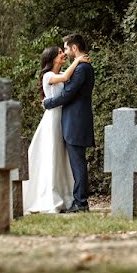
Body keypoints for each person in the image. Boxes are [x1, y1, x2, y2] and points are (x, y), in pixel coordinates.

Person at [23, 45, 90, 214]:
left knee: (62, 158)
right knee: (52, 155)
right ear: (52, 58)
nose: (63, 54)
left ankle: (66, 194)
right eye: (59, 53)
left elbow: (68, 78)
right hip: (53, 119)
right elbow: (68, 76)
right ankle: (49, 195)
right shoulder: (48, 76)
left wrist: (77, 62)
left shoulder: (61, 74)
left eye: (63, 51)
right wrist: (77, 60)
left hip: (65, 118)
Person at [42, 33, 95, 213]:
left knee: (78, 163)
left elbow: (67, 94)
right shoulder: (79, 67)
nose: (65, 52)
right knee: (73, 163)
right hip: (70, 121)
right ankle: (75, 199)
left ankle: (81, 203)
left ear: (74, 48)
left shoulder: (81, 69)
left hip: (75, 122)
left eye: (65, 48)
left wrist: (47, 103)